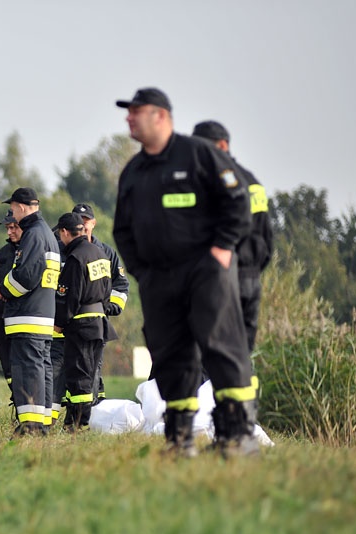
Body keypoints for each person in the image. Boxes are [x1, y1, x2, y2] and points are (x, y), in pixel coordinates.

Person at [113, 87, 257, 458]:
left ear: (160, 116)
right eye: (127, 113)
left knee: (221, 350)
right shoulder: (134, 171)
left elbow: (238, 202)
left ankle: (237, 435)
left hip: (206, 274)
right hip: (159, 280)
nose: (129, 117)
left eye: (136, 111)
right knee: (171, 355)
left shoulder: (199, 155)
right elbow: (122, 230)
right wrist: (142, 271)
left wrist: (221, 251)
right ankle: (179, 439)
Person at [191, 121, 273, 355]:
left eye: (204, 148)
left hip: (220, 278)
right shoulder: (252, 181)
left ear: (223, 146)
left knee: (211, 360)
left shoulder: (210, 184)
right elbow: (267, 237)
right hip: (250, 280)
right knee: (241, 360)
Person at [0, 187, 60, 435]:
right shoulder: (48, 235)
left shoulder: (32, 234)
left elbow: (26, 276)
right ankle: (40, 425)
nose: (11, 214)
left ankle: (30, 428)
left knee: (27, 372)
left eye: (12, 209)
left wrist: (4, 290)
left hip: (27, 316)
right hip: (42, 316)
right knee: (41, 369)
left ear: (21, 207)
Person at [53, 214, 112, 433]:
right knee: (85, 375)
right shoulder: (100, 254)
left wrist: (60, 322)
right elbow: (107, 293)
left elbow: (69, 297)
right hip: (98, 324)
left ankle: (79, 425)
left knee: (79, 378)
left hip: (80, 326)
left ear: (65, 233)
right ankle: (73, 422)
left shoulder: (76, 258)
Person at [72, 202, 129, 403]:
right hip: (68, 322)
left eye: (86, 221)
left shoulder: (106, 252)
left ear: (93, 223)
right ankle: (75, 415)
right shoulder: (63, 249)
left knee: (92, 368)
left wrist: (111, 306)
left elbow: (121, 285)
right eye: (78, 220)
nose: (82, 224)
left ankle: (91, 412)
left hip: (94, 321)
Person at [0, 210, 21, 406]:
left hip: (21, 314)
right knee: (7, 363)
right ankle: (17, 397)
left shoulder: (32, 249)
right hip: (1, 312)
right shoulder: (2, 254)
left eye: (14, 227)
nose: (9, 232)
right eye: (7, 228)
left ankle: (24, 402)